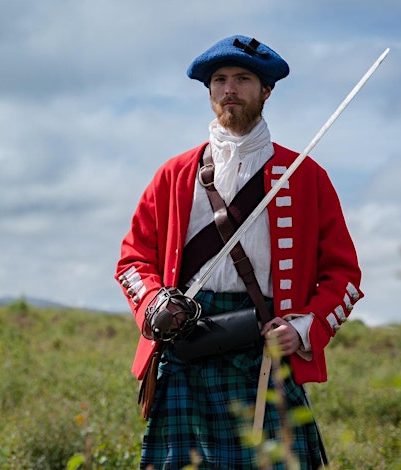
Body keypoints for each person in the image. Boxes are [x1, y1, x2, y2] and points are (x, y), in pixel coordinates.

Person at [114, 34, 364, 469]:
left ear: (266, 90)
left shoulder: (306, 177)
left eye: (243, 79)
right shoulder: (173, 175)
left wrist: (303, 328)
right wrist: (155, 303)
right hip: (185, 341)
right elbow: (133, 260)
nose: (230, 89)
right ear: (209, 92)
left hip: (263, 343)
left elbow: (343, 276)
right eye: (220, 80)